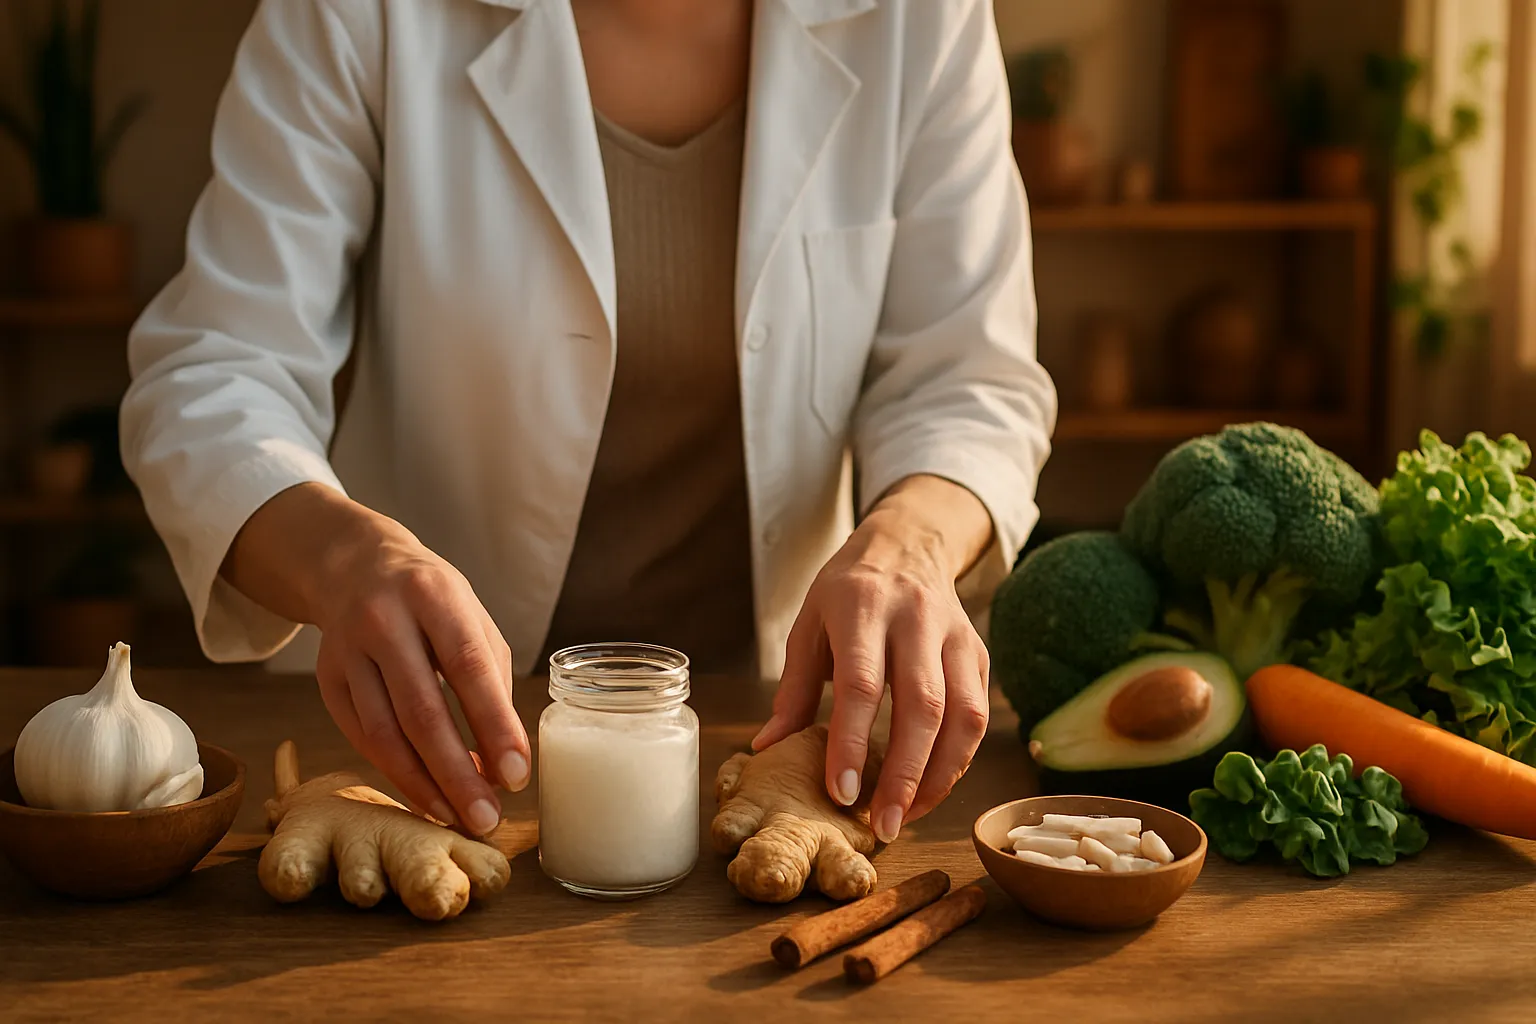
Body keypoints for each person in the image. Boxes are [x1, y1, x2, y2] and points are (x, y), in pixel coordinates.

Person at [121, 0, 1055, 846]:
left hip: (767, 732)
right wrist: (338, 559)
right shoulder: (354, 16)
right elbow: (215, 369)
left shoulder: (919, 19)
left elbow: (969, 378)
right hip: (413, 744)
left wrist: (911, 542)